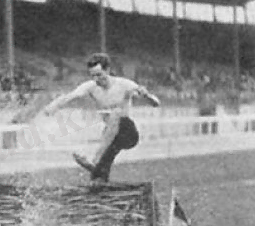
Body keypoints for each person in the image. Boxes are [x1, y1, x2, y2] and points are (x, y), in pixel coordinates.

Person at [18, 53, 160, 182]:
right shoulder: (91, 87)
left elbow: (156, 103)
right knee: (100, 171)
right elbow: (70, 96)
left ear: (108, 70)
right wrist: (54, 106)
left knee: (116, 115)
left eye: (99, 75)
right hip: (111, 136)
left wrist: (147, 96)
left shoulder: (125, 85)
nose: (96, 79)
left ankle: (95, 159)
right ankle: (98, 181)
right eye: (92, 75)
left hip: (128, 133)